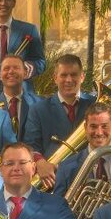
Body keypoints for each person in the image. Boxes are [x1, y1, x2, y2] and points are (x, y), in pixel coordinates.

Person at [23, 54, 97, 189]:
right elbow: (30, 145)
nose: (68, 80)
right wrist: (40, 163)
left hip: (91, 180)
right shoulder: (39, 109)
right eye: (63, 75)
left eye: (74, 75)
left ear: (82, 77)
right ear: (55, 78)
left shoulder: (95, 106)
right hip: (54, 182)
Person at [0, 0, 46, 93]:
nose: (3, 3)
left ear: (13, 3)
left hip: (21, 92)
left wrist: (28, 67)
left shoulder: (29, 29)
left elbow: (41, 62)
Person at [0, 54, 43, 141]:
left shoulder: (40, 104)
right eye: (6, 68)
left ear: (25, 73)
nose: (11, 71)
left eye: (16, 68)